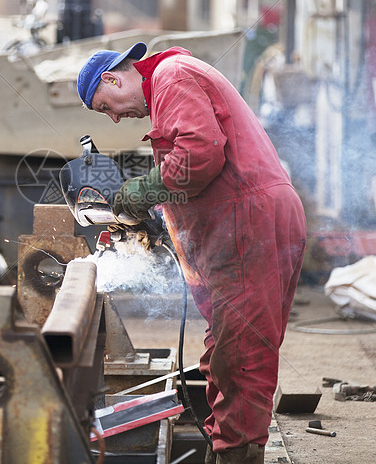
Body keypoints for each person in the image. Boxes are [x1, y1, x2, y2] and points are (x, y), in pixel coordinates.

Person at [76, 42, 307, 464]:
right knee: (226, 351)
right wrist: (159, 217)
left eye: (105, 105)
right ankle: (229, 449)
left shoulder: (172, 76)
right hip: (238, 226)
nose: (114, 117)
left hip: (247, 224)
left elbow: (198, 157)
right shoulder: (171, 83)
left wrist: (143, 192)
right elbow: (192, 174)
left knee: (240, 356)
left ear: (112, 77)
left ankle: (237, 455)